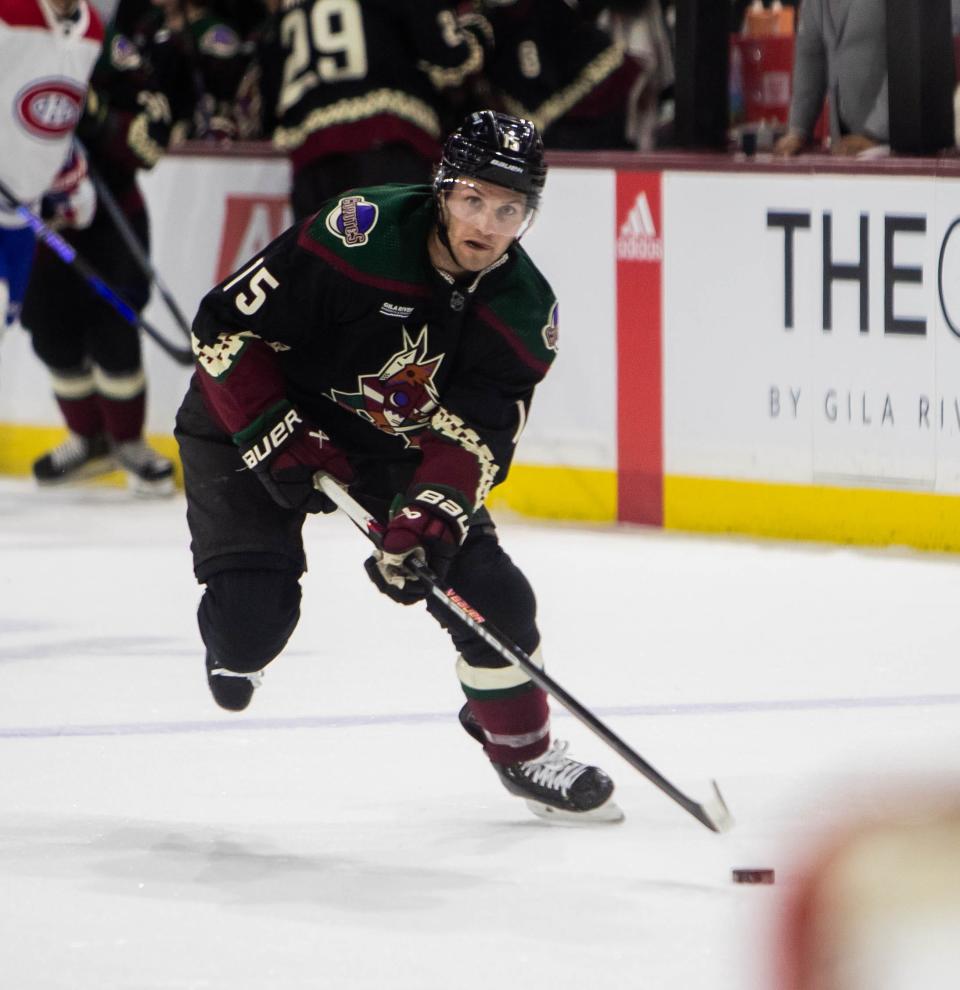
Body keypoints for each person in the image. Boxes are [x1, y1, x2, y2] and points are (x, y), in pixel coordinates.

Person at [174, 110, 623, 823]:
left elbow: (473, 439)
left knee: (499, 603)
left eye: (509, 209)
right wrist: (272, 429)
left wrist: (425, 521)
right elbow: (224, 327)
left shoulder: (524, 311)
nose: (486, 224)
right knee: (252, 625)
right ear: (443, 189)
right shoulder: (361, 232)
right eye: (473, 199)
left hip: (386, 448)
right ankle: (235, 647)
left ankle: (523, 749)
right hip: (246, 416)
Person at [20, 0, 180, 493]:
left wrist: (89, 112)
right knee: (48, 330)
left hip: (111, 215)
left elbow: (149, 142)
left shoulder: (113, 47)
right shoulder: (18, 35)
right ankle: (87, 438)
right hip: (37, 215)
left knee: (115, 330)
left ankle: (128, 443)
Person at [253, 0, 491, 220]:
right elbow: (450, 58)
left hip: (312, 164)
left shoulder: (288, 9)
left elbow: (266, 103)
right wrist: (476, 35)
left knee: (324, 260)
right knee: (391, 258)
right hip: (386, 147)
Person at [0, 0, 103, 332]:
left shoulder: (93, 31)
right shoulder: (8, 14)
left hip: (21, 219)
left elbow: (55, 114)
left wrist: (68, 174)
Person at [773, 0, 888, 157]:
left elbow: (908, 54)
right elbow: (810, 58)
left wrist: (875, 134)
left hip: (894, 145)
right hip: (844, 145)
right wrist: (798, 130)